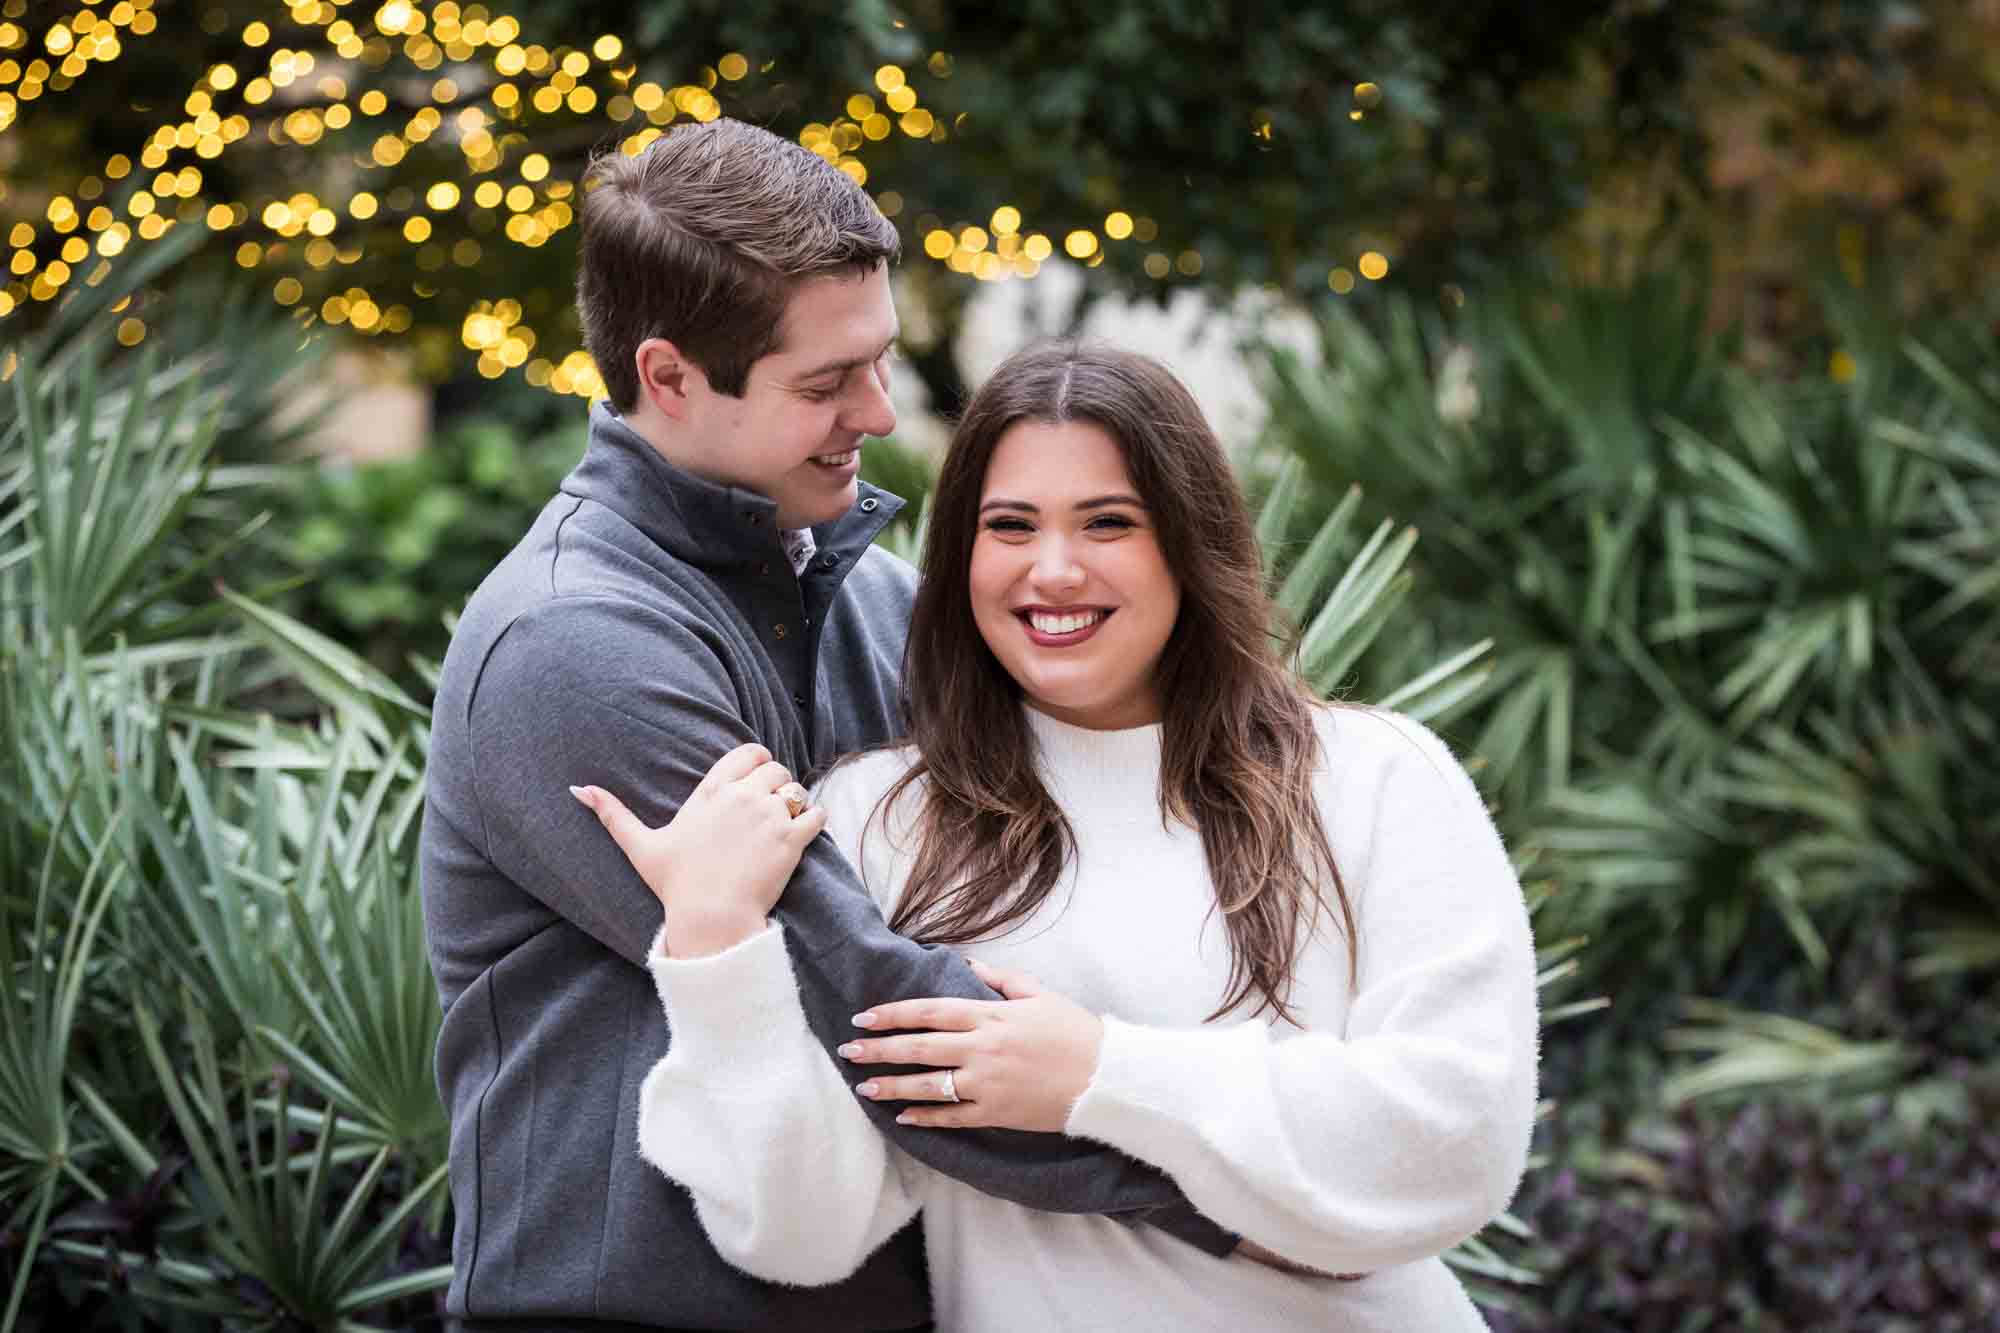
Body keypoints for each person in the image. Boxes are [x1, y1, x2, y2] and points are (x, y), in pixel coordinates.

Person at [420, 124, 1232, 1333]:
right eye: (823, 384)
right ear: (670, 375)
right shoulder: (570, 647)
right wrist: (1240, 1184)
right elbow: (860, 1002)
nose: (878, 409)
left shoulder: (878, 600)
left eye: (878, 360)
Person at [576, 342, 1541, 1331]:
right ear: (960, 558)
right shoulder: (881, 821)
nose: (1053, 569)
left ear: (1187, 540)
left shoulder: (1373, 777)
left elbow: (1456, 1140)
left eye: (1107, 522)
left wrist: (1098, 1073)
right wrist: (716, 951)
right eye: (1009, 526)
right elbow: (805, 1234)